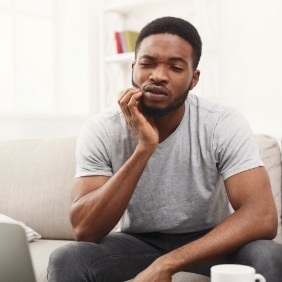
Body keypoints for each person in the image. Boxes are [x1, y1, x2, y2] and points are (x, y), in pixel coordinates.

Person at [48, 16, 282, 282]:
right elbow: (85, 230)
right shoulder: (102, 129)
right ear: (133, 69)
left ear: (194, 79)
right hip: (137, 242)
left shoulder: (221, 123)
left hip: (210, 240)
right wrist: (145, 147)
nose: (158, 76)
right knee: (67, 258)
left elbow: (262, 216)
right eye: (147, 64)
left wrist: (168, 263)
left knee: (268, 255)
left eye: (175, 67)